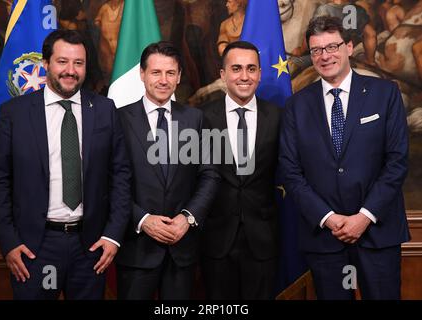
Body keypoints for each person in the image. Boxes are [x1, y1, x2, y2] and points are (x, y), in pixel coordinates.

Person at [0, 29, 131, 300]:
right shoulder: (14, 113)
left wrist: (112, 235)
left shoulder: (104, 110)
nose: (71, 70)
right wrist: (9, 243)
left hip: (90, 247)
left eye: (78, 63)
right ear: (46, 64)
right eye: (62, 61)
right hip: (35, 248)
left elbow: (120, 175)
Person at [278, 16, 410, 300]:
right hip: (325, 238)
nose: (325, 56)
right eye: (316, 50)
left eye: (332, 46)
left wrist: (364, 217)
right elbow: (290, 171)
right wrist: (328, 218)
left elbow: (397, 161)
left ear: (349, 47)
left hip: (378, 233)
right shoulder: (296, 106)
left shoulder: (385, 94)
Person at [116, 41, 220, 300]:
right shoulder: (117, 119)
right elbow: (109, 181)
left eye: (170, 73)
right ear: (142, 74)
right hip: (136, 249)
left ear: (179, 76)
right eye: (156, 72)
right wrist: (142, 219)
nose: (163, 80)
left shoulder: (194, 119)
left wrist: (188, 217)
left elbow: (209, 174)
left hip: (181, 249)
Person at [199, 41, 282, 299]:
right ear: (223, 74)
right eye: (236, 68)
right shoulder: (201, 118)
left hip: (263, 240)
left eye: (251, 68)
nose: (244, 76)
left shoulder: (279, 117)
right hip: (215, 240)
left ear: (259, 73)